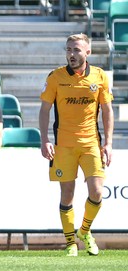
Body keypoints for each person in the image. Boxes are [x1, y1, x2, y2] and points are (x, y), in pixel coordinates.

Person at [39, 33, 114, 257]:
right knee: (67, 195)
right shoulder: (55, 77)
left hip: (91, 142)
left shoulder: (100, 77)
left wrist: (108, 143)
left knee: (97, 192)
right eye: (68, 49)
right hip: (64, 145)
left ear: (87, 53)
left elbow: (108, 111)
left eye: (76, 50)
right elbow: (44, 110)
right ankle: (71, 243)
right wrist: (44, 140)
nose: (71, 54)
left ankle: (84, 231)